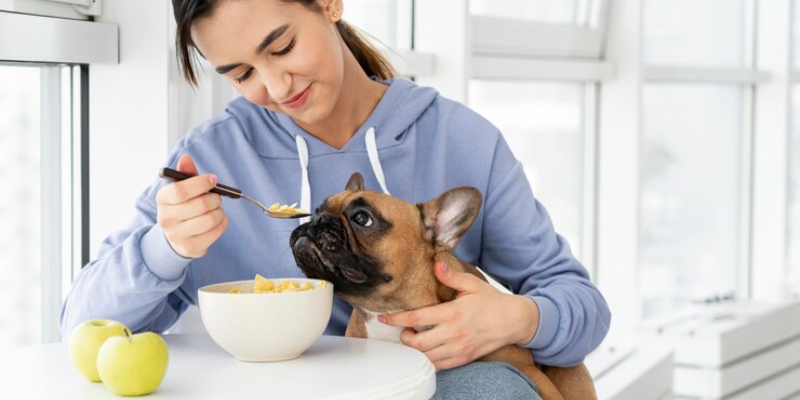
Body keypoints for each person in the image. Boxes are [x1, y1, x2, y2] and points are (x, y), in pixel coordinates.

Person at [60, 0, 611, 398]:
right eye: (241, 74)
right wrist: (166, 246)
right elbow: (80, 328)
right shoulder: (211, 159)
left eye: (282, 47)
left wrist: (517, 319)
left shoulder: (461, 139)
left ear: (328, 4)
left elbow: (583, 309)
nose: (276, 88)